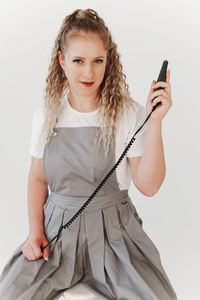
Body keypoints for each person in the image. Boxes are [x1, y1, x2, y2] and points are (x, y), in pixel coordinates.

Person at [0, 8, 178, 300]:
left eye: (98, 61)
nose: (89, 72)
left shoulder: (128, 113)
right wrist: (35, 234)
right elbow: (36, 178)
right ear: (61, 61)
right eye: (78, 61)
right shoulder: (47, 115)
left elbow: (149, 186)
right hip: (56, 236)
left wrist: (155, 122)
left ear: (109, 61)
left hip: (116, 238)